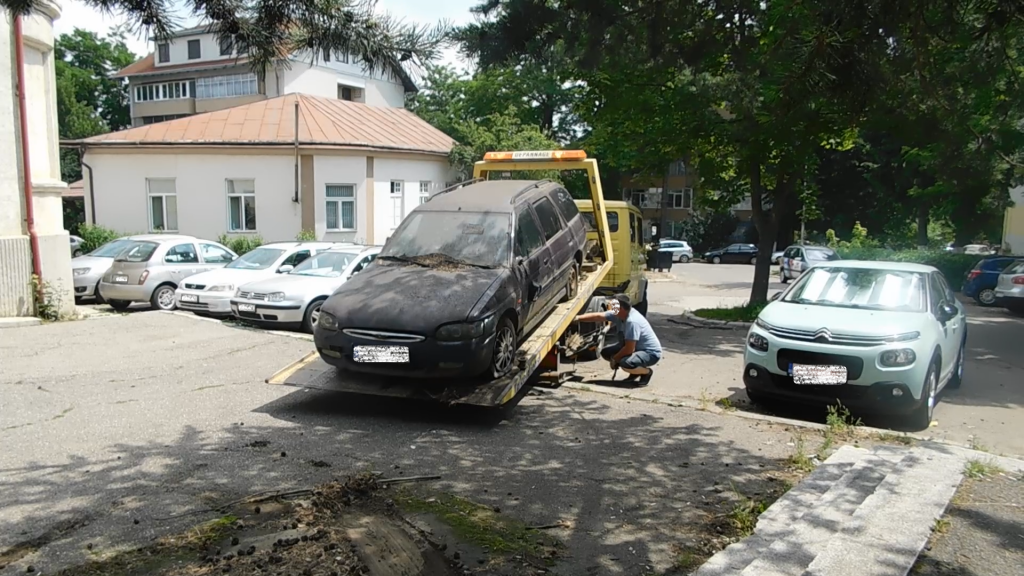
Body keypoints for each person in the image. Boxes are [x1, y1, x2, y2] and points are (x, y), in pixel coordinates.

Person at [572, 294, 662, 385]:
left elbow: (629, 349)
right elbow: (599, 316)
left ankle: (646, 372)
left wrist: (615, 359)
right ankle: (634, 372)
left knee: (626, 363)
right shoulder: (619, 314)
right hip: (635, 348)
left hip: (650, 353)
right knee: (606, 352)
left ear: (621, 308)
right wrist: (578, 318)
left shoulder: (632, 321)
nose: (611, 307)